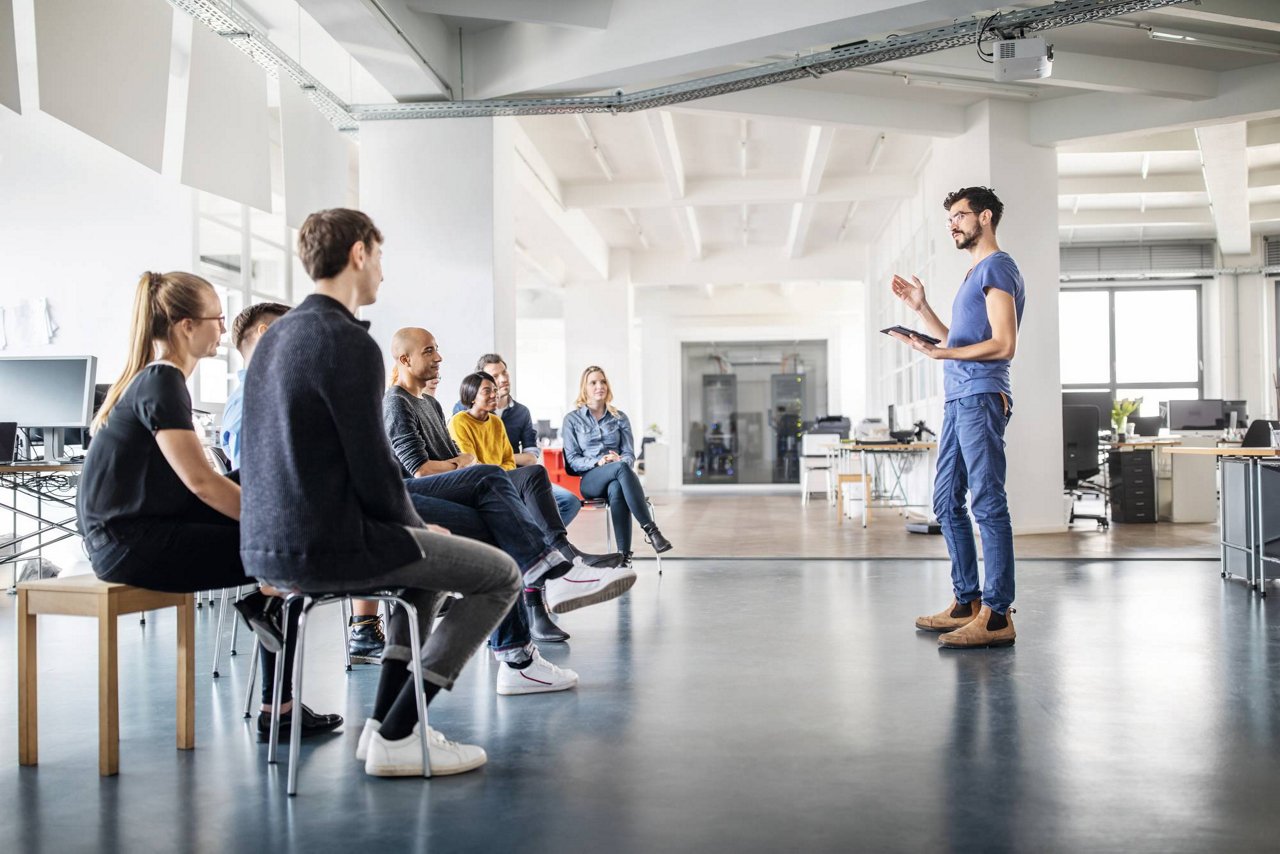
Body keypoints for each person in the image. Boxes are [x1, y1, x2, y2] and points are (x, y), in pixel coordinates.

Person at [240, 208, 520, 777]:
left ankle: (386, 731)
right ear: (359, 254)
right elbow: (373, 469)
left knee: (424, 582)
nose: (382, 275)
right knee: (500, 577)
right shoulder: (347, 341)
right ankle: (400, 730)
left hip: (264, 550)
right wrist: (414, 527)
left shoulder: (277, 337)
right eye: (380, 258)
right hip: (325, 546)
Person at [77, 272, 341, 742]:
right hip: (129, 544)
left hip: (144, 528)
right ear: (184, 326)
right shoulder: (162, 380)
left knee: (272, 487)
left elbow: (201, 483)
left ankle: (269, 643)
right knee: (289, 554)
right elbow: (200, 483)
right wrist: (275, 528)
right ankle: (276, 704)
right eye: (216, 318)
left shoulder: (160, 379)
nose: (222, 328)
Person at [889, 186, 1025, 649]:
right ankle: (967, 602)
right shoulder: (974, 274)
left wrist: (945, 352)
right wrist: (922, 311)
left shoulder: (997, 267)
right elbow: (958, 343)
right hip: (959, 398)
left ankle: (997, 613)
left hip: (982, 397)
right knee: (946, 502)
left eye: (961, 216)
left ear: (985, 218)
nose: (953, 224)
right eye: (951, 218)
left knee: (987, 502)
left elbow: (1004, 344)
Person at [224, 302, 385, 666]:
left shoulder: (277, 394)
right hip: (287, 529)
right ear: (267, 335)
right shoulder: (252, 400)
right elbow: (261, 478)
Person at [448, 370, 575, 642]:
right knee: (535, 474)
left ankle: (537, 608)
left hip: (501, 482)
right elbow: (471, 465)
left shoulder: (495, 422)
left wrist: (506, 483)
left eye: (495, 390)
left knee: (533, 514)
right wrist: (504, 481)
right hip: (479, 485)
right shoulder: (459, 421)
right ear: (471, 395)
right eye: (487, 391)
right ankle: (561, 552)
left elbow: (507, 460)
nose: (494, 395)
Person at [452, 354, 581, 527]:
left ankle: (538, 545)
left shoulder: (520, 413)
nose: (503, 379)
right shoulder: (462, 412)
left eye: (504, 372)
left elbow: (530, 457)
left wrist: (502, 464)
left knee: (569, 501)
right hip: (487, 478)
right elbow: (469, 460)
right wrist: (499, 464)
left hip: (516, 474)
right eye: (494, 377)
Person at [562, 366, 671, 564]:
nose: (599, 386)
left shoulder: (620, 418)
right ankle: (651, 530)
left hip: (618, 477)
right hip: (590, 479)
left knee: (617, 486)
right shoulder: (572, 420)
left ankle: (623, 557)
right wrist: (599, 461)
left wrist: (621, 460)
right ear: (584, 388)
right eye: (593, 382)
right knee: (620, 469)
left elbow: (629, 454)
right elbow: (572, 460)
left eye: (603, 382)